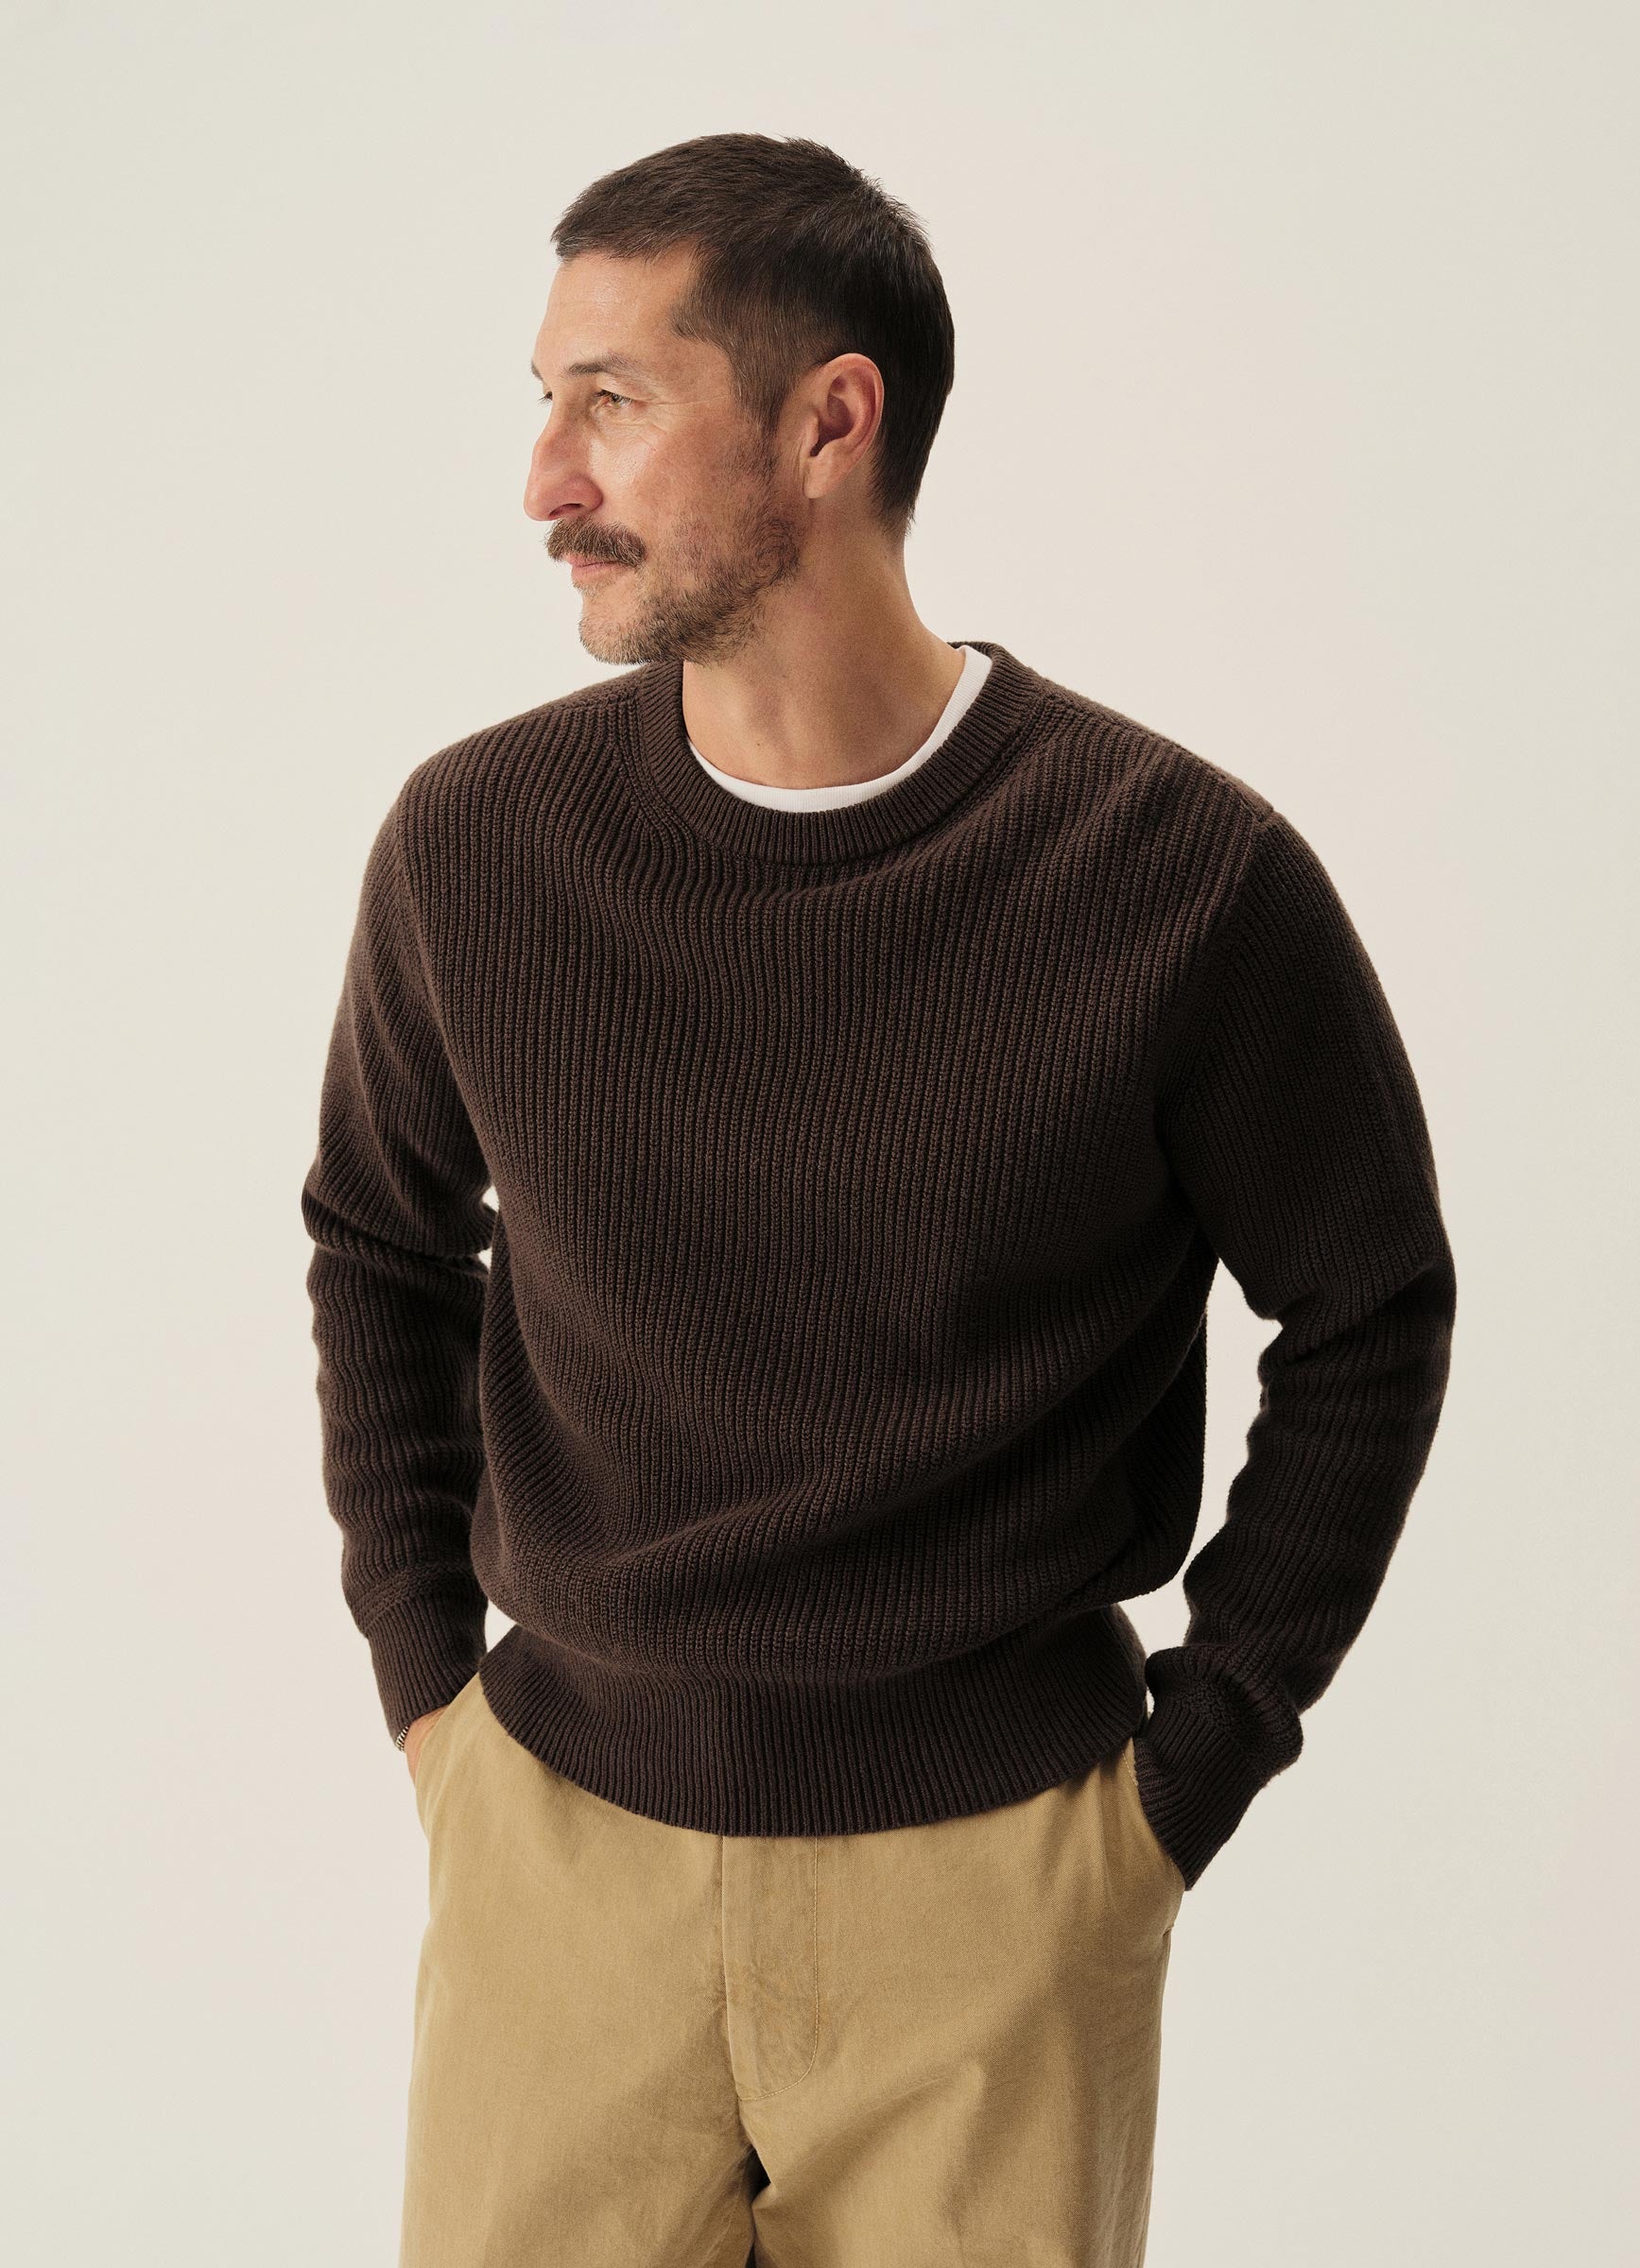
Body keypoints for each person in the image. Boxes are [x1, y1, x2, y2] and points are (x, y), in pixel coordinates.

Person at [301, 131, 1456, 2268]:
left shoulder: (1178, 879)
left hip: (998, 1887)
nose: (546, 477)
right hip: (556, 1856)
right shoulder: (475, 847)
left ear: (832, 423)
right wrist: (431, 1699)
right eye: (545, 401)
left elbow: (1370, 1309)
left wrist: (1192, 1769)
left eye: (612, 402)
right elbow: (381, 1240)